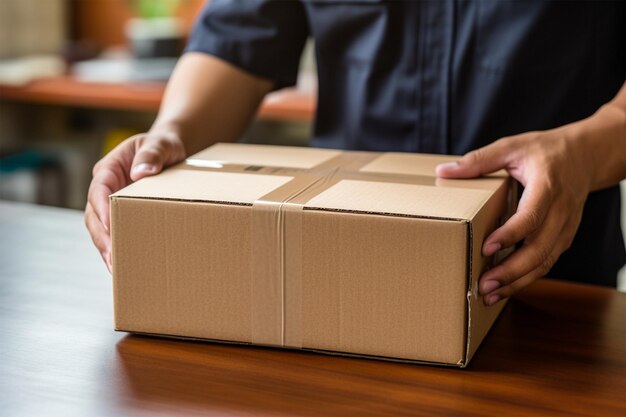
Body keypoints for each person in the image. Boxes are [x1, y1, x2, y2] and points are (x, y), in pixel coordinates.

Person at [85, 1, 626, 306]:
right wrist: (170, 131)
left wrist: (587, 148)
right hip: (334, 280)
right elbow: (237, 39)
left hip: (549, 289)